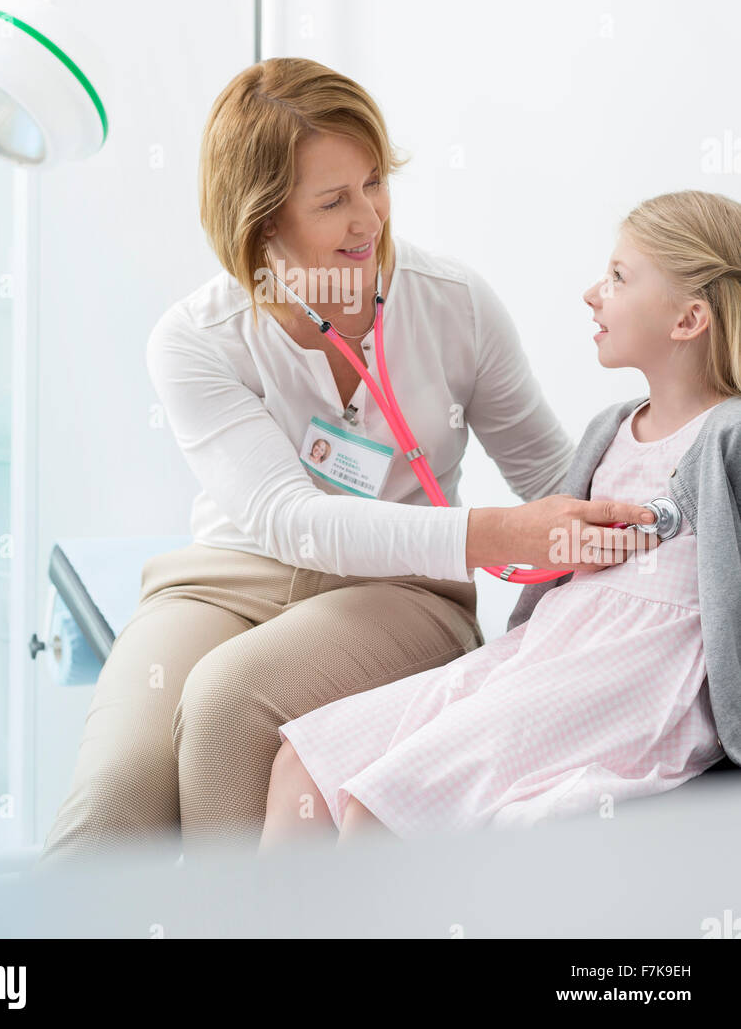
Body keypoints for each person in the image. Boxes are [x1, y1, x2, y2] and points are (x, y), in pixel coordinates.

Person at [39, 58, 651, 862]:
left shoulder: (452, 303)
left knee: (226, 703)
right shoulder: (196, 338)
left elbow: (553, 476)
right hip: (232, 576)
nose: (369, 219)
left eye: (374, 182)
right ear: (260, 223)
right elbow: (290, 524)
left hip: (400, 593)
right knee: (110, 807)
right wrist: (500, 536)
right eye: (332, 201)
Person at [260, 190, 741, 847]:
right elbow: (563, 566)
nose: (592, 294)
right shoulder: (609, 429)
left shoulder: (730, 437)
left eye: (619, 278)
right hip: (546, 650)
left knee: (383, 810)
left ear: (689, 319)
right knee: (305, 767)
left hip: (633, 678)